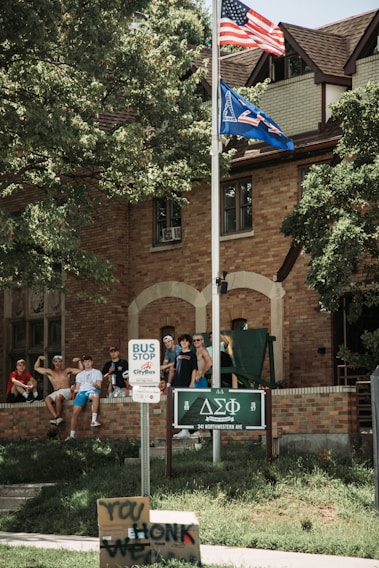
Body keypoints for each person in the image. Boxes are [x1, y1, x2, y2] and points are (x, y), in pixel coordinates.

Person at [34, 354, 83, 426]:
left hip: (66, 390)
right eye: (56, 361)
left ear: (61, 362)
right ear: (53, 362)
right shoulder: (50, 372)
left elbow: (80, 369)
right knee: (47, 399)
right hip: (56, 391)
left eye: (59, 361)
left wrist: (79, 360)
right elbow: (36, 368)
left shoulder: (67, 370)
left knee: (58, 397)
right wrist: (39, 358)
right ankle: (57, 417)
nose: (57, 363)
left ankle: (58, 415)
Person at [65, 355, 103, 440]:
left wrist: (96, 385)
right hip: (81, 392)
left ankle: (93, 420)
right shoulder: (79, 375)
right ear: (83, 363)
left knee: (96, 395)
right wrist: (72, 390)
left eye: (89, 361)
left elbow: (99, 386)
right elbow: (77, 388)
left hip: (92, 390)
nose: (87, 363)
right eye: (85, 361)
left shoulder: (97, 372)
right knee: (75, 413)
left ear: (92, 362)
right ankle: (72, 435)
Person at [171, 334, 198, 439]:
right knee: (178, 406)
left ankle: (186, 429)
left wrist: (191, 383)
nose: (184, 342)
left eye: (186, 341)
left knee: (186, 406)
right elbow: (174, 370)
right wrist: (170, 383)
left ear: (189, 343)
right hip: (177, 383)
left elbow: (194, 369)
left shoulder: (192, 354)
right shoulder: (177, 355)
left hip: (187, 383)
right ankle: (183, 429)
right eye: (182, 341)